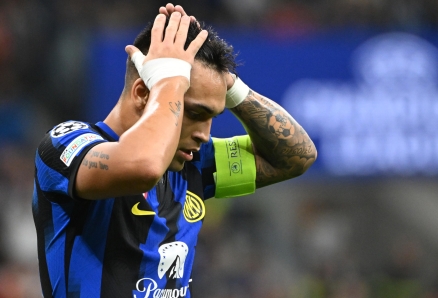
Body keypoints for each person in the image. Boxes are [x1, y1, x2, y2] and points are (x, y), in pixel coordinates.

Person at [32, 3, 316, 298]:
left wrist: (229, 86)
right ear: (143, 93)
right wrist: (171, 82)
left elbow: (297, 157)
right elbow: (143, 166)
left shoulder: (194, 163)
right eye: (193, 112)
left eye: (212, 117)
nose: (205, 135)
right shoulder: (66, 145)